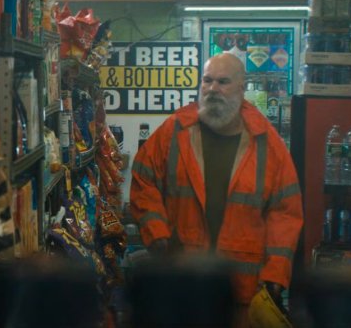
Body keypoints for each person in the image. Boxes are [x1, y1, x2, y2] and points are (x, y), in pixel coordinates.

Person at [129, 53, 303, 319]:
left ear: (242, 88)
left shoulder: (268, 144)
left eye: (223, 82)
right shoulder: (174, 132)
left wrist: (275, 276)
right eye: (207, 80)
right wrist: (158, 236)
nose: (212, 89)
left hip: (243, 295)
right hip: (183, 285)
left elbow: (286, 214)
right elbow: (144, 181)